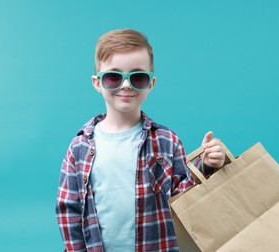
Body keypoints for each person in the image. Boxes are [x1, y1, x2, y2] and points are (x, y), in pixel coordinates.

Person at [56, 29, 226, 252]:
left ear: (151, 83)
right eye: (114, 77)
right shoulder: (79, 147)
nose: (126, 85)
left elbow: (184, 199)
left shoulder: (167, 141)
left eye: (137, 77)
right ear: (97, 83)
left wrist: (205, 165)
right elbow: (69, 209)